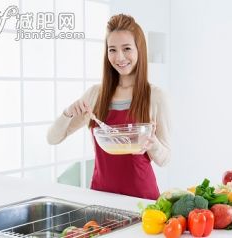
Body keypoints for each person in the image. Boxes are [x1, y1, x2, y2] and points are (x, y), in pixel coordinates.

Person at [47, 14, 170, 200]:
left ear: (139, 50)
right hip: (100, 198)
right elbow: (52, 138)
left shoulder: (155, 96)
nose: (119, 57)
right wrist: (68, 113)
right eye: (112, 50)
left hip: (142, 201)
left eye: (126, 48)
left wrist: (152, 144)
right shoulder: (96, 95)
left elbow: (165, 159)